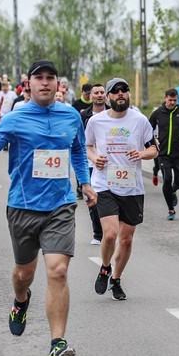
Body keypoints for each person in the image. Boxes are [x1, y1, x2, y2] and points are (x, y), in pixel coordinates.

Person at [0, 60, 96, 356]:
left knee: (58, 271)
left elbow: (78, 150)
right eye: (38, 78)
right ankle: (21, 300)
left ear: (57, 84)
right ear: (27, 84)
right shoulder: (14, 119)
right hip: (23, 208)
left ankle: (57, 344)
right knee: (23, 275)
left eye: (50, 78)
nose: (45, 82)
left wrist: (84, 181)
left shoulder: (70, 116)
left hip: (61, 206)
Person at [85, 77, 158, 301]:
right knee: (110, 235)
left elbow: (154, 149)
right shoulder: (96, 122)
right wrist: (94, 157)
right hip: (104, 184)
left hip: (132, 187)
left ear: (128, 95)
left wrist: (142, 154)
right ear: (107, 97)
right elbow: (87, 146)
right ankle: (105, 267)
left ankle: (116, 278)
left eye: (124, 90)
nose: (120, 94)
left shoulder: (140, 120)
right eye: (115, 91)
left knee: (126, 240)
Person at [149, 88, 179, 221]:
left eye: (175, 100)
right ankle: (171, 209)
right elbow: (148, 128)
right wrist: (154, 140)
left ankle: (174, 191)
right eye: (170, 100)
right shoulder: (158, 113)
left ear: (177, 99)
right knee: (167, 179)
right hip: (164, 153)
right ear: (165, 98)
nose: (172, 103)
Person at [79, 84, 108, 245]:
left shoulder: (113, 113)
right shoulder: (84, 116)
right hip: (89, 162)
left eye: (102, 93)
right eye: (96, 93)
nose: (99, 95)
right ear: (90, 96)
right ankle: (98, 233)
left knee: (108, 197)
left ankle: (109, 229)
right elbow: (79, 140)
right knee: (92, 198)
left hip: (108, 163)